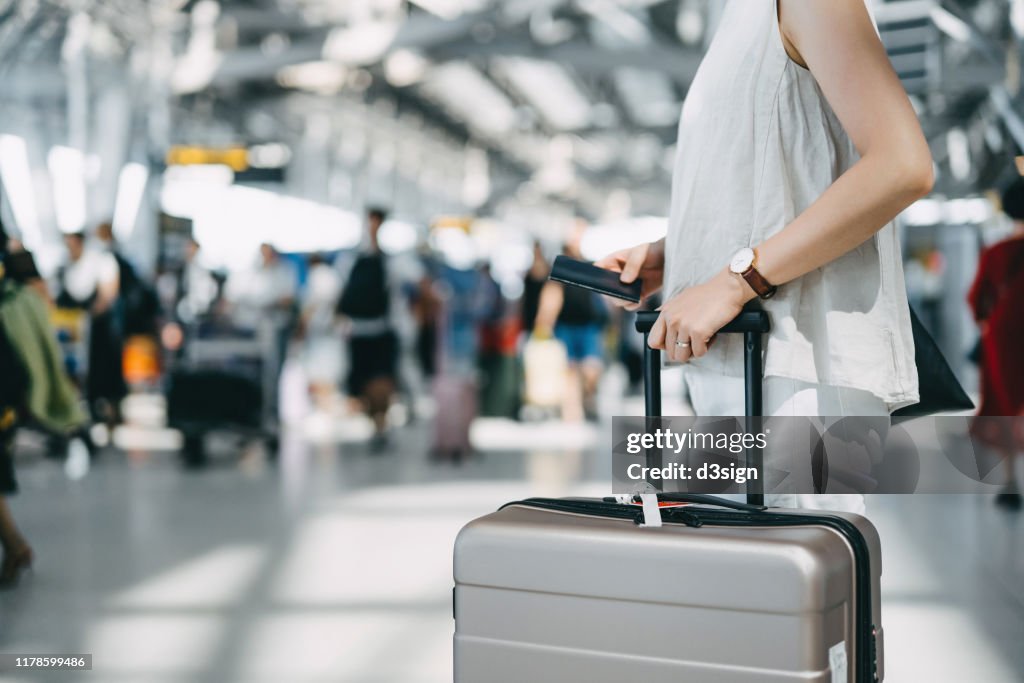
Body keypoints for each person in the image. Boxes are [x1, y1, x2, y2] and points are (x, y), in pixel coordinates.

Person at [596, 0, 934, 512]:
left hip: (795, 373)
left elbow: (902, 164)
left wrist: (736, 281)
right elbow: (776, 179)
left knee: (798, 574)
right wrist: (675, 254)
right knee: (754, 575)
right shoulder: (740, 17)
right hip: (746, 370)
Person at [337, 209, 420, 451]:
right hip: (365, 331)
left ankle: (380, 424)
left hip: (378, 330)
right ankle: (378, 424)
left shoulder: (366, 260)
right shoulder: (361, 259)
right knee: (369, 384)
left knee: (380, 382)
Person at [968, 179, 1024, 511]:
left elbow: (977, 298)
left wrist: (986, 322)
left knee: (1005, 403)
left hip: (1003, 338)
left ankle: (1011, 481)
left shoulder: (997, 251)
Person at [55, 231, 126, 426]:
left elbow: (108, 294)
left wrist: (90, 314)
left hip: (102, 328)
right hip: (76, 329)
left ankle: (111, 412)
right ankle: (87, 411)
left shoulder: (101, 260)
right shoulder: (66, 266)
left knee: (106, 371)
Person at [535, 238, 609, 423]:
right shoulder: (559, 269)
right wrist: (544, 321)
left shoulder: (590, 266)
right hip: (566, 325)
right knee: (569, 370)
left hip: (588, 325)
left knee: (592, 368)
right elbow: (552, 294)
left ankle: (588, 399)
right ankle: (572, 411)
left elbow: (602, 296)